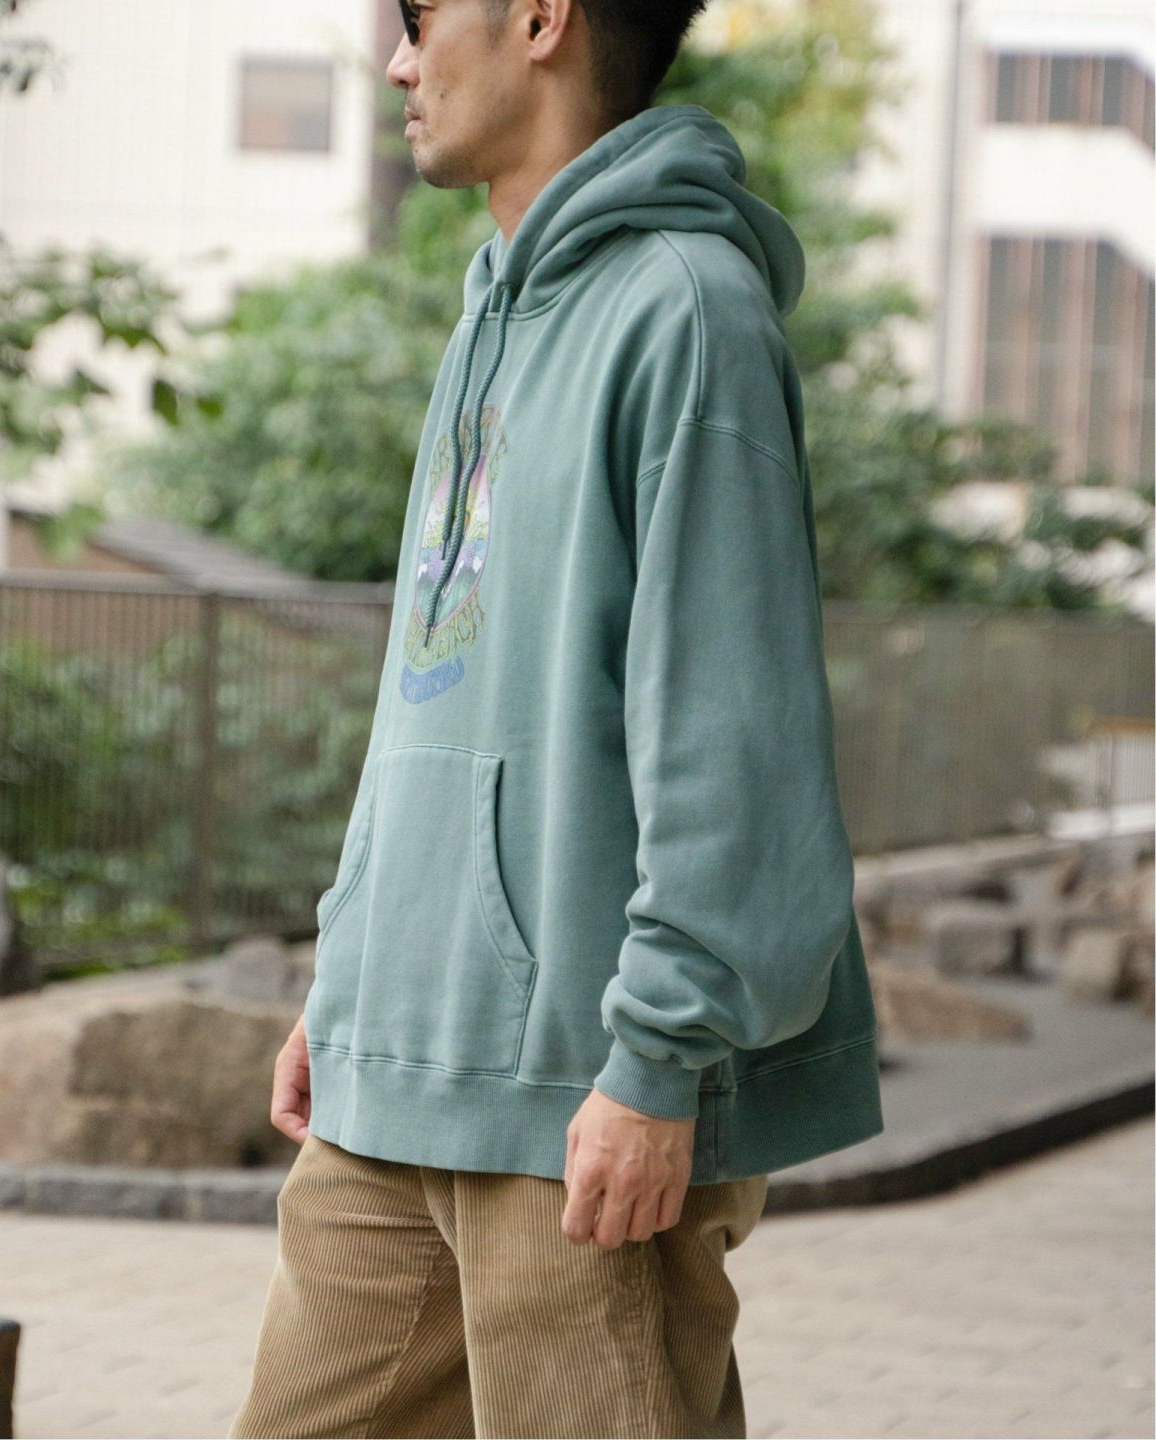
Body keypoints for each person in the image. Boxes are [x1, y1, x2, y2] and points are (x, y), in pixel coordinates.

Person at [228, 0, 884, 1435]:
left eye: (422, 17)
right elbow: (436, 688)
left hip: (584, 1100)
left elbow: (735, 730)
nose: (399, 60)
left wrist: (656, 1062)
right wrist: (353, 976)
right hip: (397, 1072)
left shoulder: (689, 312)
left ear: (539, 17)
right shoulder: (490, 311)